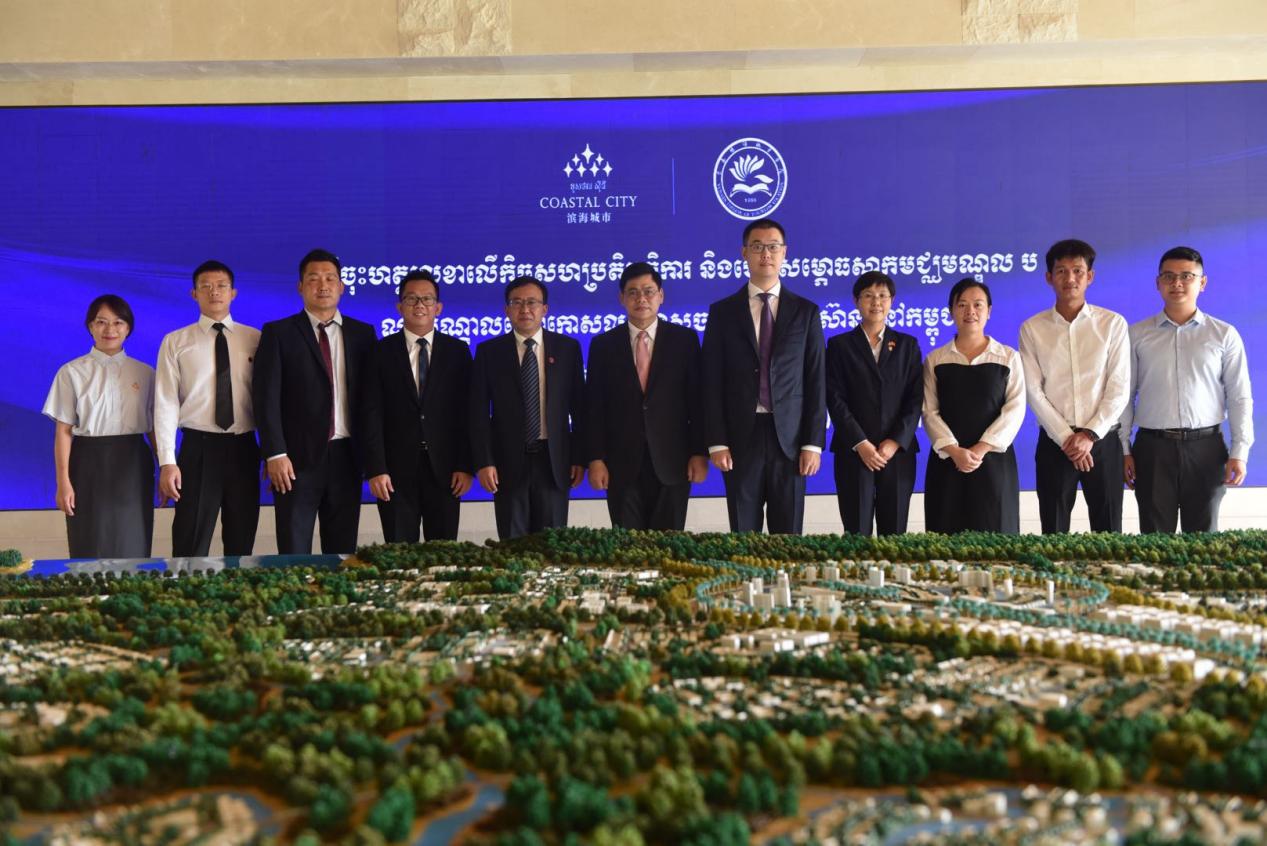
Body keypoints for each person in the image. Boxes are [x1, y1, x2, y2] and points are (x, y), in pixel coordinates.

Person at [701, 218, 826, 534]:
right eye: (757, 247)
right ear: (744, 253)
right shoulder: (722, 312)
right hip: (740, 437)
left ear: (785, 252)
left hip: (791, 440)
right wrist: (716, 441)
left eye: (773, 246)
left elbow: (815, 380)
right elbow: (711, 382)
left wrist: (813, 443)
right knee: (744, 534)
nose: (765, 254)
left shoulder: (806, 312)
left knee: (789, 536)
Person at [1121, 246, 1253, 532]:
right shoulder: (1137, 335)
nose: (1177, 283)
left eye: (1186, 276)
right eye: (1168, 276)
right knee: (1155, 542)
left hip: (1206, 448)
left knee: (1204, 542)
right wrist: (1124, 449)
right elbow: (1124, 397)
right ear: (1158, 283)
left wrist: (1239, 451)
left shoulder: (1223, 334)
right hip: (1152, 450)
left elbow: (1240, 397)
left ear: (1202, 282)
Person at [253, 249, 376, 554]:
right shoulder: (278, 333)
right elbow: (266, 398)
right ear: (300, 286)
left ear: (341, 286)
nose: (323, 285)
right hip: (295, 460)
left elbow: (371, 402)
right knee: (294, 552)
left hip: (347, 457)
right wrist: (275, 453)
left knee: (342, 551)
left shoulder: (363, 334)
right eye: (314, 279)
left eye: (330, 279)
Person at [1018, 239, 1130, 534]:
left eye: (1078, 271)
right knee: (1053, 532)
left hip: (1103, 441)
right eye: (1061, 271)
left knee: (1109, 534)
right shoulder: (1032, 328)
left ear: (1090, 276)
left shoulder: (1112, 324)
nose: (1070, 278)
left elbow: (1119, 388)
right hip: (1055, 444)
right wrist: (1068, 438)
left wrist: (1090, 434)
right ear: (1049, 277)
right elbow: (1033, 391)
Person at [586, 262, 708, 530]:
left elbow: (697, 403)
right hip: (620, 465)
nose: (641, 298)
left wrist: (699, 452)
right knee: (627, 546)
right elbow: (594, 408)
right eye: (632, 292)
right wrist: (595, 459)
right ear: (621, 298)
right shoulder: (603, 345)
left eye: (648, 291)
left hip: (673, 462)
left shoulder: (685, 340)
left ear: (661, 295)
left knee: (669, 544)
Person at [154, 260, 262, 556]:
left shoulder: (255, 339)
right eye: (206, 286)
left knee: (241, 542)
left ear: (233, 293)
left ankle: (237, 586)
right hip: (198, 449)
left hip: (244, 448)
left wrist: (273, 451)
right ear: (194, 294)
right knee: (190, 541)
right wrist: (167, 461)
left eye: (222, 286)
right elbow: (165, 403)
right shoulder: (175, 341)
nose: (214, 292)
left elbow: (267, 399)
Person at [470, 275, 586, 540]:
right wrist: (484, 461)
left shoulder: (568, 348)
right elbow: (478, 414)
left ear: (544, 309)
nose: (525, 309)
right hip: (507, 462)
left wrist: (579, 458)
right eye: (517, 302)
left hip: (554, 460)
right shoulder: (489, 352)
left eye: (532, 302)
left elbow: (579, 408)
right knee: (513, 543)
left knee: (552, 543)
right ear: (506, 309)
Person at [360, 270, 472, 542]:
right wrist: (376, 468)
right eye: (411, 299)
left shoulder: (458, 351)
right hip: (394, 473)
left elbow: (468, 414)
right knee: (399, 553)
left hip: (446, 471)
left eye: (427, 299)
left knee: (443, 553)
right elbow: (370, 414)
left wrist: (465, 465)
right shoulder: (379, 352)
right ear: (400, 307)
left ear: (438, 308)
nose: (419, 305)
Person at [43, 294, 156, 558]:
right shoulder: (71, 372)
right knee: (89, 537)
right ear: (90, 326)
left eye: (118, 322)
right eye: (101, 322)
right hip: (87, 462)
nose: (109, 329)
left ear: (128, 328)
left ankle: (132, 584)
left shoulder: (145, 373)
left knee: (133, 537)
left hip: (133, 462)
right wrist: (63, 482)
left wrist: (164, 467)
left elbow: (154, 428)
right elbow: (63, 431)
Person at [922, 278, 1026, 533]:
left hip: (993, 463)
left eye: (978, 305)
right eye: (962, 305)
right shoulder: (936, 359)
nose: (970, 311)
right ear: (951, 311)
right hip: (948, 463)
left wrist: (981, 448)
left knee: (997, 537)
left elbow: (1015, 409)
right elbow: (929, 411)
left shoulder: (1008, 357)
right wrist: (955, 451)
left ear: (989, 311)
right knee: (945, 538)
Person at [825, 271, 922, 535]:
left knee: (895, 534)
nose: (876, 302)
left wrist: (895, 441)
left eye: (882, 296)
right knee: (857, 533)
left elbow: (915, 399)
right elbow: (834, 398)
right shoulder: (839, 345)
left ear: (891, 301)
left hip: (897, 453)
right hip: (854, 451)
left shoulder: (907, 345)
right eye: (868, 295)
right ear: (856, 301)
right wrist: (861, 443)